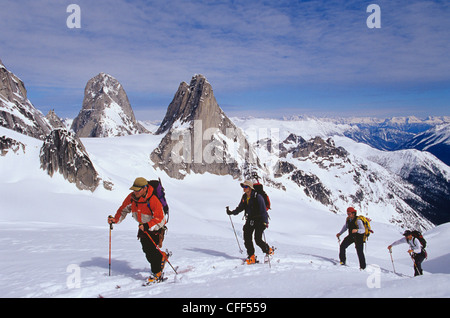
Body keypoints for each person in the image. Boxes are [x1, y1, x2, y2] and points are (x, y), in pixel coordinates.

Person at [108, 177, 167, 283]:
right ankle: (162, 257)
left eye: (137, 190)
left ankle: (157, 273)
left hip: (155, 227)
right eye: (134, 189)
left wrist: (148, 225)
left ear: (144, 188)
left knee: (150, 251)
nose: (135, 192)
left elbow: (160, 218)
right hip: (143, 226)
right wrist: (115, 220)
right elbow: (123, 209)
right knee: (147, 249)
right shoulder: (132, 198)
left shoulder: (153, 199)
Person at [226, 180, 274, 264]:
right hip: (250, 219)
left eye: (245, 187)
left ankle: (268, 251)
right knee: (247, 236)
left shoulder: (258, 196)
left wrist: (265, 222)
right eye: (243, 186)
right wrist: (232, 212)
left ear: (250, 188)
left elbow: (263, 210)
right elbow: (240, 207)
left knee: (257, 239)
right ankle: (251, 256)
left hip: (260, 220)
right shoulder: (245, 197)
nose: (243, 188)